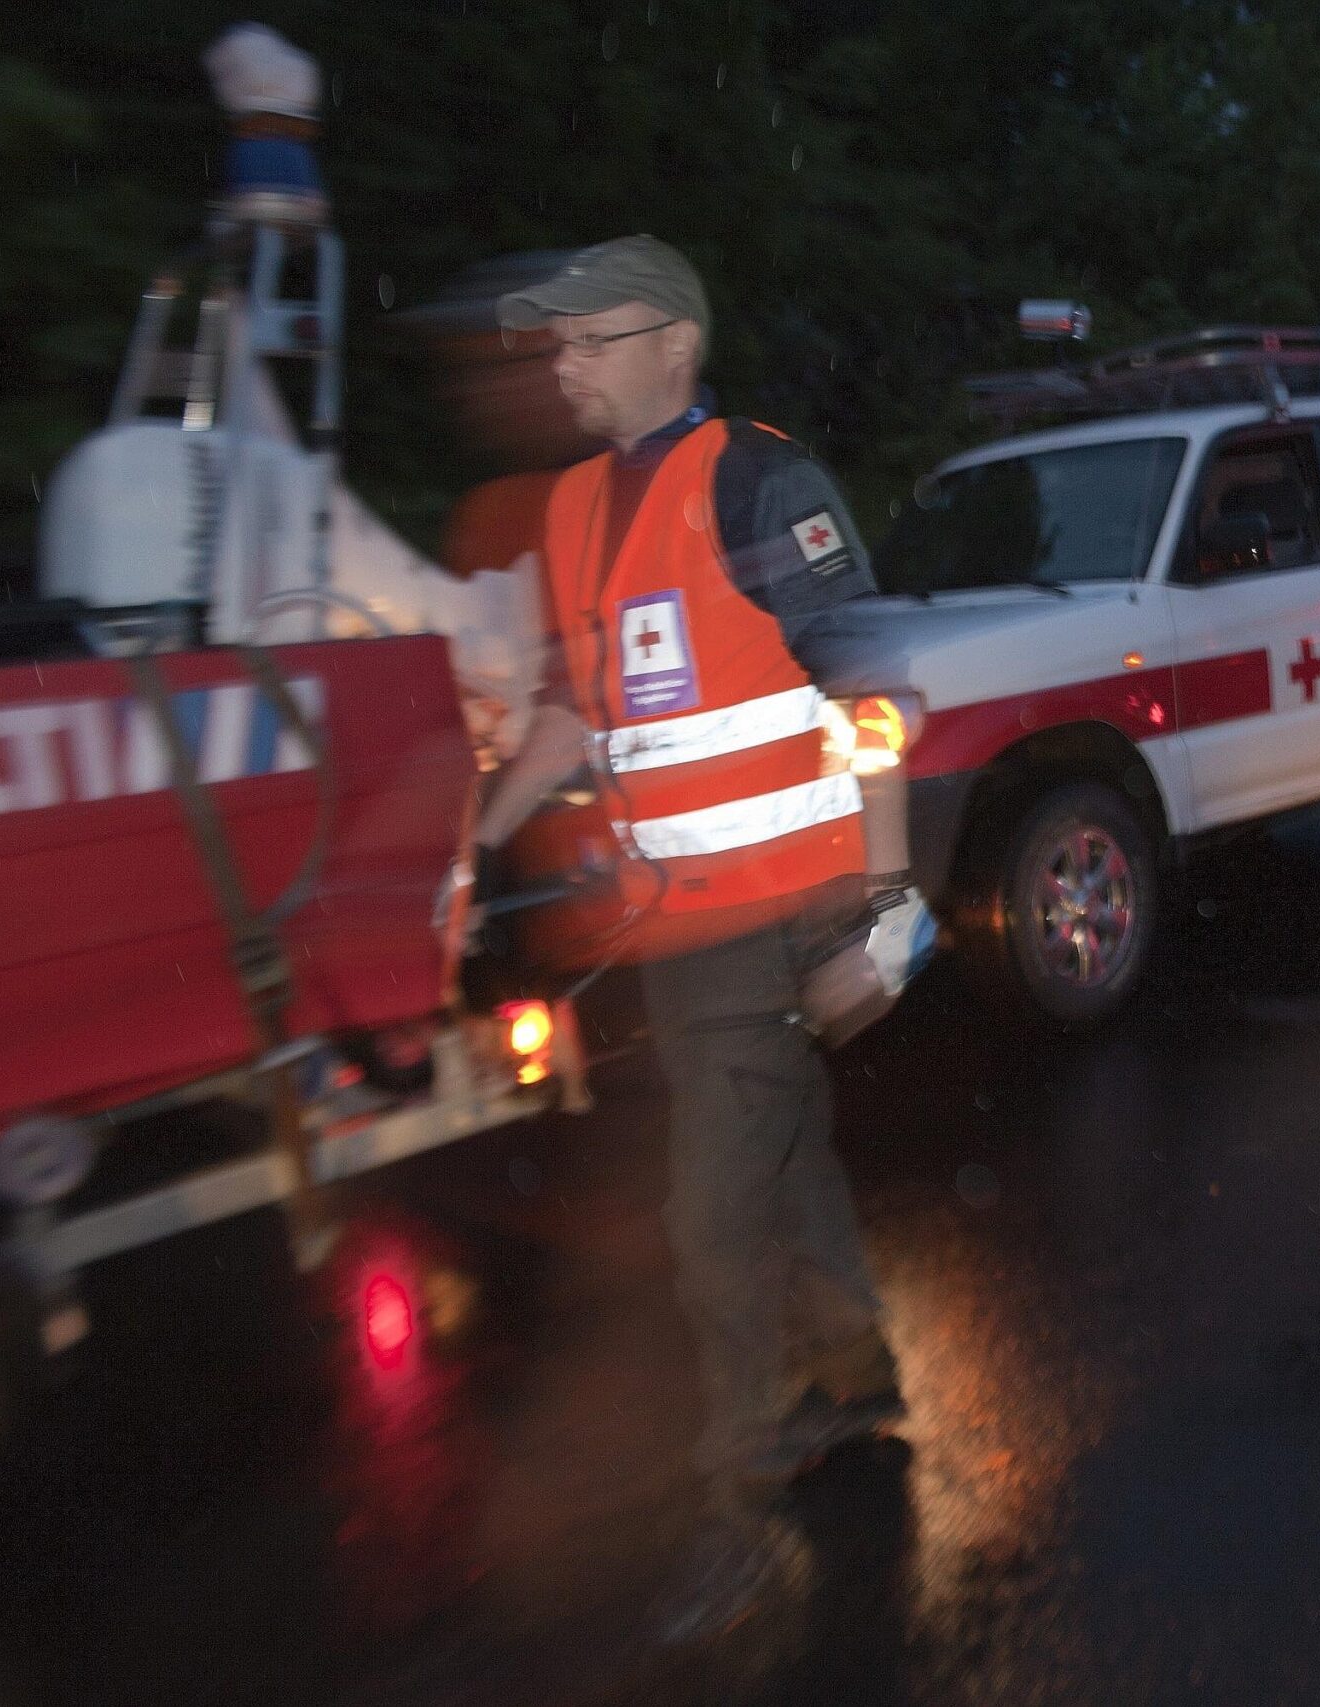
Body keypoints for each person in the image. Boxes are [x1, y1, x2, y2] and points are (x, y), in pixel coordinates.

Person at [494, 236, 903, 1631]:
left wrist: (889, 911)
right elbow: (584, 711)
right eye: (551, 346)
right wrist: (474, 836)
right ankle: (857, 1374)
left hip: (790, 908)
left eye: (589, 338)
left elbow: (873, 688)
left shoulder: (755, 477)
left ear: (674, 340)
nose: (562, 365)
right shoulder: (567, 508)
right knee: (782, 1155)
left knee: (706, 1209)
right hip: (682, 919)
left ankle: (741, 1471)